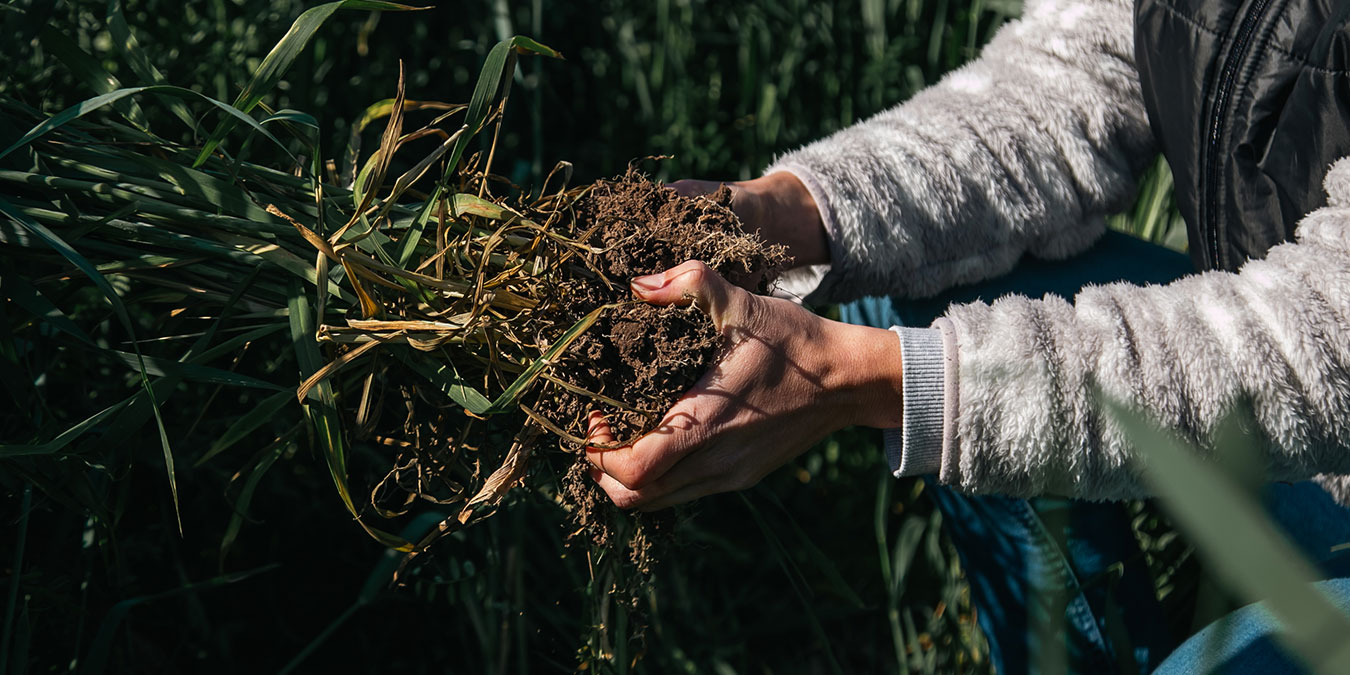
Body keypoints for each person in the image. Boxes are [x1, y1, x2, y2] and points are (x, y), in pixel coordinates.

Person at [584, 0, 1350, 671]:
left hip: (1319, 400)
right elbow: (1062, 84)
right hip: (1292, 430)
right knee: (927, 282)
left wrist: (873, 380)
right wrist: (778, 214)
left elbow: (1319, 342)